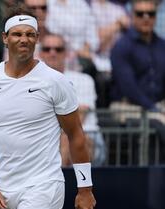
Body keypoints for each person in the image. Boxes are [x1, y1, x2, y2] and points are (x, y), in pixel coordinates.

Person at [0, 5, 96, 209]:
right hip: (4, 190)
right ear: (5, 38)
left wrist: (85, 189)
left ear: (37, 38)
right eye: (17, 34)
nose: (23, 39)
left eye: (29, 34)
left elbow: (76, 135)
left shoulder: (55, 81)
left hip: (43, 187)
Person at [39, 33, 106, 166]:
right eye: (47, 49)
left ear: (66, 53)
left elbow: (78, 119)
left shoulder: (83, 79)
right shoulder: (32, 83)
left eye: (58, 49)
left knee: (66, 139)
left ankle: (59, 185)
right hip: (46, 137)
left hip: (87, 135)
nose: (53, 53)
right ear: (40, 53)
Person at [110, 0, 165, 152]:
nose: (146, 17)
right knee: (158, 122)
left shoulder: (162, 45)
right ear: (132, 16)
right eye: (140, 14)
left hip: (158, 104)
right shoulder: (122, 46)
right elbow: (129, 88)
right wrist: (154, 108)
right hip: (127, 105)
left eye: (151, 14)